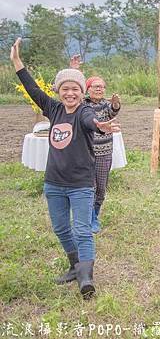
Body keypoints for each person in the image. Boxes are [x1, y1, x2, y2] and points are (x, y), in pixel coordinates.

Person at [10, 38, 116, 299]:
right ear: (59, 91)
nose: (70, 93)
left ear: (82, 93)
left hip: (80, 184)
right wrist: (17, 62)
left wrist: (100, 125)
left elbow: (91, 120)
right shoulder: (53, 109)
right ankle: (74, 266)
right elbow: (33, 88)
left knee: (82, 230)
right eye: (65, 89)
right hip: (54, 183)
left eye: (75, 90)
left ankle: (86, 278)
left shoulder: (83, 112)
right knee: (60, 228)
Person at [76, 56, 121, 234]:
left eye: (102, 87)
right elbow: (74, 91)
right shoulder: (83, 104)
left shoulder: (105, 104)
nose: (100, 90)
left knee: (101, 187)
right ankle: (87, 218)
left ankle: (95, 214)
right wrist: (76, 70)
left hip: (105, 152)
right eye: (96, 87)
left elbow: (112, 112)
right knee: (89, 186)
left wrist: (116, 104)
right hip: (86, 152)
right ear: (88, 89)